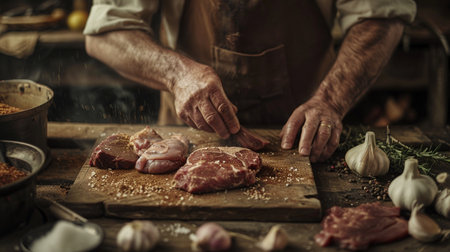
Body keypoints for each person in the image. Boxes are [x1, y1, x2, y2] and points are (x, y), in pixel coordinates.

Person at [83, 0, 416, 162]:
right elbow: (106, 32)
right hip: (188, 140)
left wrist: (330, 100)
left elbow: (381, 15)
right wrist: (176, 73)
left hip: (311, 139)